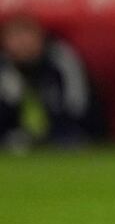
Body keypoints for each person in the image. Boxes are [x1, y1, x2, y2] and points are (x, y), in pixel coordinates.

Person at [0, 15, 95, 149]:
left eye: (27, 33)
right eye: (15, 35)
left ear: (40, 37)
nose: (22, 42)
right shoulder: (3, 68)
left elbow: (78, 107)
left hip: (63, 137)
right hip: (12, 140)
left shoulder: (60, 60)